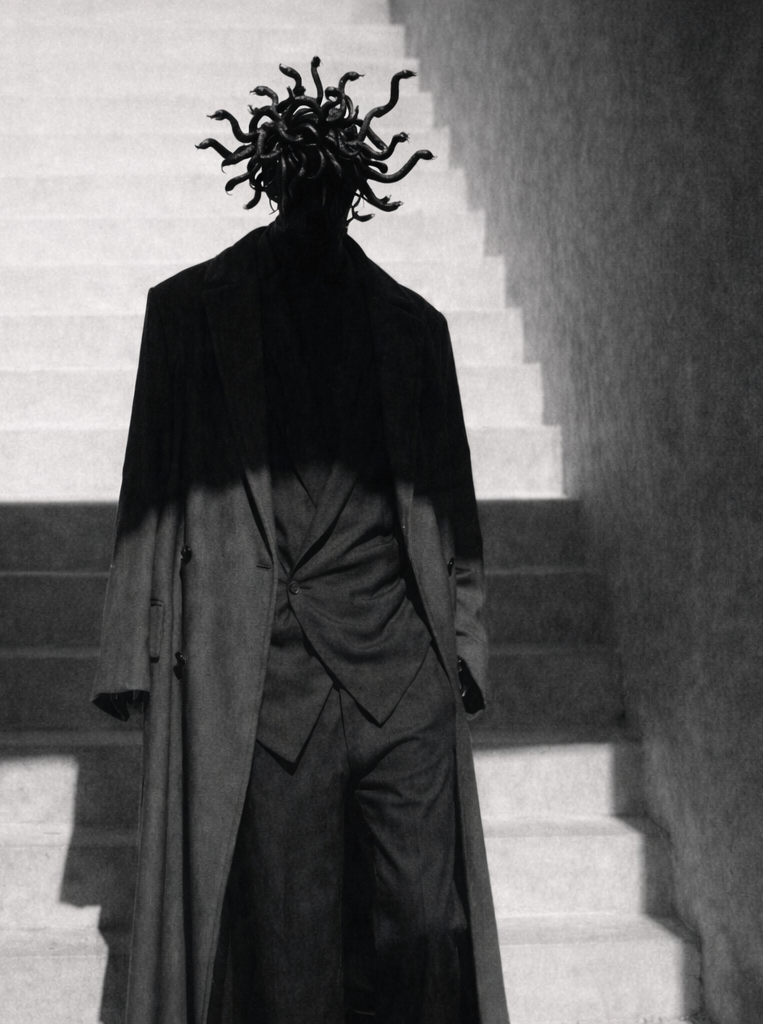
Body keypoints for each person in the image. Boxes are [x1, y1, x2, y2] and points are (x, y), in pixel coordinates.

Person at [92, 58, 507, 1024]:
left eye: (335, 185)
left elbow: (449, 497)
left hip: (399, 671)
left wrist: (467, 646)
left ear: (360, 189)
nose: (318, 203)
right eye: (302, 184)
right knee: (290, 951)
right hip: (271, 684)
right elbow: (150, 487)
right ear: (271, 181)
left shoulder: (413, 329)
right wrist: (130, 654)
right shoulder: (191, 315)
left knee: (424, 926)